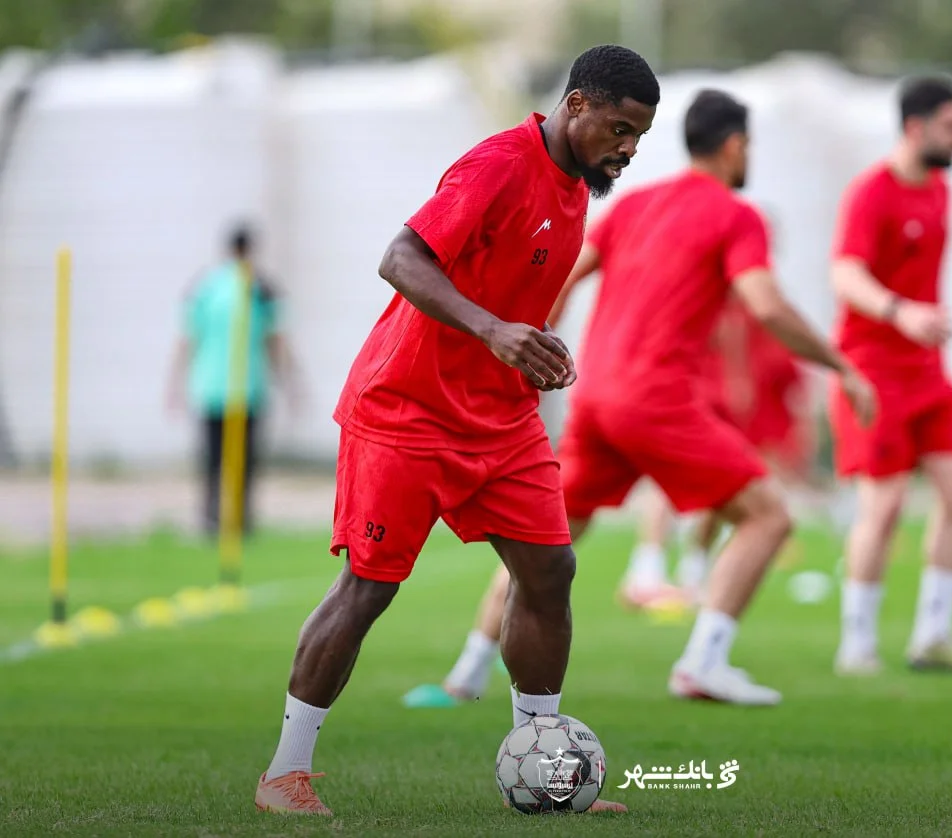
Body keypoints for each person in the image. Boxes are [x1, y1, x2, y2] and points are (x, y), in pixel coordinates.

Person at [253, 44, 659, 817]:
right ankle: (284, 773)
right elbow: (399, 258)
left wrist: (536, 347)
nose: (629, 147)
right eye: (620, 128)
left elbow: (513, 292)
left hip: (501, 419)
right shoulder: (497, 166)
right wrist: (496, 331)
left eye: (639, 135)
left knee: (551, 571)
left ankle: (543, 772)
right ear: (576, 105)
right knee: (370, 587)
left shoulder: (576, 187)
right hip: (405, 411)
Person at [557, 88, 875, 706]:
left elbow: (567, 272)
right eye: (748, 145)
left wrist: (531, 345)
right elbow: (765, 306)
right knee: (769, 517)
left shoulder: (634, 203)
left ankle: (467, 672)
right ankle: (702, 663)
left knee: (550, 539)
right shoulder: (736, 215)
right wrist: (841, 364)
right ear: (733, 146)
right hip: (653, 399)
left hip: (592, 396)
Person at [828, 75, 952, 677]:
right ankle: (856, 645)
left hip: (927, 372)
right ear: (916, 128)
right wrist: (901, 312)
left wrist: (922, 321)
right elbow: (845, 274)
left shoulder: (941, 190)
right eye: (951, 125)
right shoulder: (871, 192)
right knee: (885, 505)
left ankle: (933, 636)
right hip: (874, 369)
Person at [166, 224, 302, 539]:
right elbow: (276, 342)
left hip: (211, 387)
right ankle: (240, 520)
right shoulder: (262, 288)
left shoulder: (206, 286)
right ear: (251, 250)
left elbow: (187, 339)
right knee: (244, 462)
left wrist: (175, 384)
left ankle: (211, 517)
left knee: (212, 460)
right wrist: (291, 384)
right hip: (247, 390)